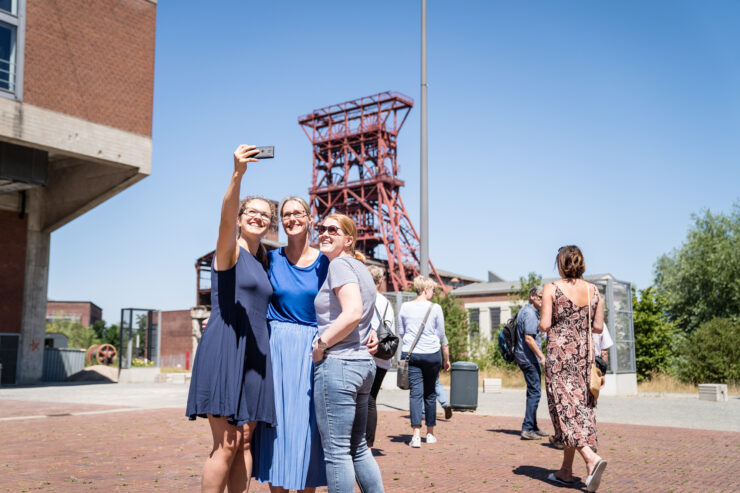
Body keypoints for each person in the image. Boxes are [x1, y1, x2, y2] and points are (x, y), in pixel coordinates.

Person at [186, 145, 276, 493]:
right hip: (226, 347)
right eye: (250, 212)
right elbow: (224, 216)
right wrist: (238, 174)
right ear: (240, 219)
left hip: (255, 356)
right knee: (225, 444)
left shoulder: (263, 260)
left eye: (265, 214)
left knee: (246, 442)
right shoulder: (230, 249)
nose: (257, 217)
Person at [252, 197, 329, 492]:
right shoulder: (270, 259)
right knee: (277, 427)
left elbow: (347, 299)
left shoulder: (326, 262)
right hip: (277, 348)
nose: (292, 218)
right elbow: (251, 294)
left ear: (310, 219)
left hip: (313, 350)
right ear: (280, 221)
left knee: (308, 428)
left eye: (298, 213)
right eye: (286, 214)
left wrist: (370, 330)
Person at [311, 213, 385, 493]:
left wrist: (321, 345)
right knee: (358, 447)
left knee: (337, 453)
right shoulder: (360, 268)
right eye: (322, 228)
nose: (324, 233)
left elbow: (353, 312)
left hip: (339, 365)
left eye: (333, 230)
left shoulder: (340, 265)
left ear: (348, 239)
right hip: (363, 365)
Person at [539, 245, 608, 492]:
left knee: (562, 409)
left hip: (559, 357)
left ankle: (591, 459)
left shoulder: (551, 288)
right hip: (583, 356)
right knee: (578, 408)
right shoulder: (594, 291)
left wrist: (543, 316)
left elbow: (545, 324)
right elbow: (598, 327)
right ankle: (566, 472)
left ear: (561, 264)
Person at [398, 276, 450, 448]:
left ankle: (415, 435)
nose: (433, 293)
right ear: (426, 289)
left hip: (412, 354)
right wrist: (446, 357)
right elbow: (441, 334)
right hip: (432, 354)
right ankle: (430, 433)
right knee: (430, 393)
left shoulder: (405, 307)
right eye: (433, 290)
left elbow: (401, 332)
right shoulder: (436, 308)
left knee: (415, 394)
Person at [550, 323, 613, 450]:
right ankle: (591, 440)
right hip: (593, 366)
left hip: (576, 365)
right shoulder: (600, 324)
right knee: (591, 404)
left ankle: (569, 438)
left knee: (574, 404)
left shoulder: (577, 321)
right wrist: (602, 374)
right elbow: (604, 351)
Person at [365, 265, 396, 449]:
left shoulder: (363, 297)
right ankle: (368, 443)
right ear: (380, 281)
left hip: (366, 352)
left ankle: (360, 441)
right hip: (383, 357)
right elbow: (389, 326)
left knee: (362, 399)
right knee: (371, 399)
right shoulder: (386, 302)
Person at [515, 286, 548, 440]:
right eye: (541, 297)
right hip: (529, 358)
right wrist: (542, 356)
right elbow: (529, 338)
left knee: (532, 392)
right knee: (535, 392)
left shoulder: (526, 310)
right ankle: (527, 428)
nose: (543, 300)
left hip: (525, 357)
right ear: (533, 297)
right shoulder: (530, 314)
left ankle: (532, 426)